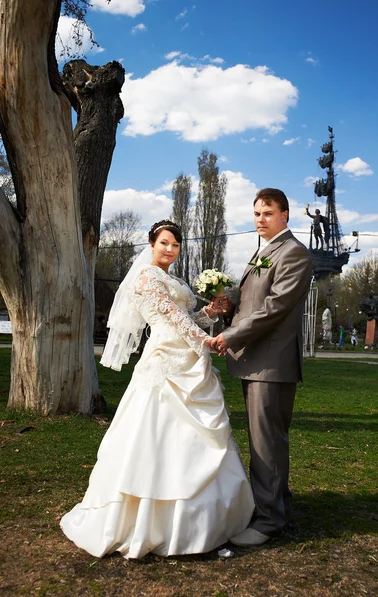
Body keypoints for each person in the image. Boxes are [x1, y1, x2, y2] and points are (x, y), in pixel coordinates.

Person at [60, 220, 254, 559]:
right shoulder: (147, 277)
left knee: (191, 437)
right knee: (153, 435)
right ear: (152, 244)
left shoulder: (174, 280)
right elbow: (172, 320)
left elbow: (187, 318)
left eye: (175, 245)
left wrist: (209, 312)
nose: (170, 249)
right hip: (165, 360)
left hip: (187, 358)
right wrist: (206, 341)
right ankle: (147, 518)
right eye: (164, 243)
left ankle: (201, 517)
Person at [212, 188, 312, 547]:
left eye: (267, 213)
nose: (259, 219)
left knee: (267, 442)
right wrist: (230, 305)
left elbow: (275, 307)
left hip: (271, 364)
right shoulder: (263, 252)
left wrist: (231, 335)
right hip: (255, 362)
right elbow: (254, 300)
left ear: (285, 215)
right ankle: (276, 503)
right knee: (264, 440)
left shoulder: (294, 253)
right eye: (256, 213)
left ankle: (269, 521)